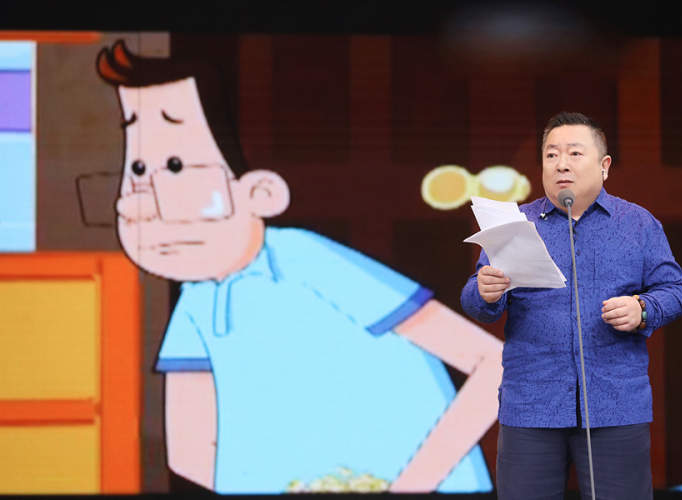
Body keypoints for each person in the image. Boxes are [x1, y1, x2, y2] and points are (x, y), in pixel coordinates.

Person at [96, 40, 500, 494]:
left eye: (175, 167)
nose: (138, 206)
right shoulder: (198, 299)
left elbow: (493, 364)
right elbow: (188, 453)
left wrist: (408, 486)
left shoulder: (308, 262)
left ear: (259, 191)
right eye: (137, 171)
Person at [461, 111, 682, 499]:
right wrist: (485, 291)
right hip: (531, 406)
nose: (561, 164)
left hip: (615, 406)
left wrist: (642, 308)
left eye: (574, 153)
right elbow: (476, 301)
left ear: (604, 166)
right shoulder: (515, 225)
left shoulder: (638, 224)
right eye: (551, 155)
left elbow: (676, 290)